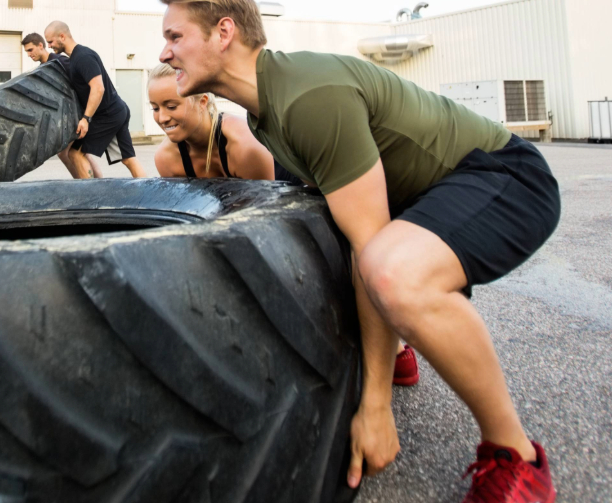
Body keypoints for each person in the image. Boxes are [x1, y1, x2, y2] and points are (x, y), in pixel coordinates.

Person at [156, 0, 560, 503]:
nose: (164, 54)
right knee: (344, 242)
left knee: (391, 273)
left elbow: (372, 250)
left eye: (175, 36)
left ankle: (515, 456)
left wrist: (374, 406)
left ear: (223, 31)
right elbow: (351, 230)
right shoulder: (267, 111)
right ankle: (401, 347)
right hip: (428, 202)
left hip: (503, 177)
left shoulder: (307, 96)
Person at [147, 61, 420, 387]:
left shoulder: (243, 145)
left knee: (337, 248)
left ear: (202, 101)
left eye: (171, 105)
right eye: (154, 107)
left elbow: (269, 225)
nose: (162, 117)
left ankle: (395, 345)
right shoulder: (166, 159)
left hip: (294, 191)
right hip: (234, 206)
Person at [44, 20, 147, 179]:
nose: (49, 46)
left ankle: (91, 198)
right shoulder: (75, 58)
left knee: (75, 153)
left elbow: (98, 88)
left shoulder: (83, 56)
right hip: (115, 110)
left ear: (62, 36)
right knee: (127, 159)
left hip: (108, 114)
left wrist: (85, 119)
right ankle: (146, 193)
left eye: (50, 41)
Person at [22, 32, 101, 179]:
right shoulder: (43, 69)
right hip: (63, 118)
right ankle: (82, 182)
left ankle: (98, 183)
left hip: (78, 114)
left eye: (30, 50)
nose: (28, 54)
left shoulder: (60, 61)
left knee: (76, 152)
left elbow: (81, 84)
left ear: (41, 45)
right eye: (26, 51)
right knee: (66, 153)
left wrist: (85, 115)